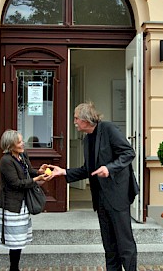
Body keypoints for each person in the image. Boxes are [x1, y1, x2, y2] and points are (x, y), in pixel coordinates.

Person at [47, 102, 138, 271]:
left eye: (76, 118)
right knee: (109, 245)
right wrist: (64, 172)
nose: (74, 121)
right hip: (100, 198)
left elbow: (128, 153)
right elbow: (87, 170)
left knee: (124, 243)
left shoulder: (109, 129)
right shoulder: (87, 139)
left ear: (86, 120)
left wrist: (109, 169)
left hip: (117, 195)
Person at [0, 129, 48, 271]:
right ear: (10, 145)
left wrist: (39, 172)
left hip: (22, 204)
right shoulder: (6, 161)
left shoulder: (23, 155)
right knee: (15, 241)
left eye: (22, 140)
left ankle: (15, 267)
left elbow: (29, 171)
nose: (23, 143)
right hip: (12, 205)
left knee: (19, 239)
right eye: (19, 142)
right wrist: (37, 179)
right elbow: (16, 184)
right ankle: (14, 268)